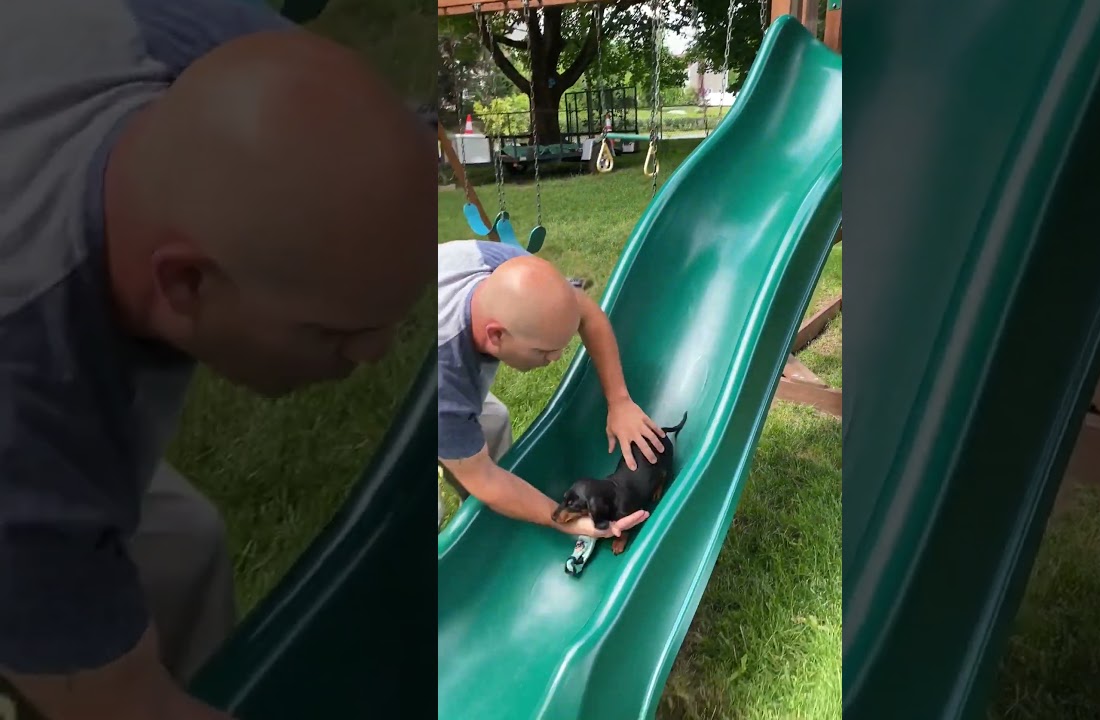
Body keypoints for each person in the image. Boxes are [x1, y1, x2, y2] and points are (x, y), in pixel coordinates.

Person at [0, 1, 437, 718]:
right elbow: (125, 708)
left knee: (181, 550)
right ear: (186, 283)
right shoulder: (29, 412)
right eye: (333, 333)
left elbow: (359, 129)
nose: (375, 353)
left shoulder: (165, 34)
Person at [436, 239, 665, 538]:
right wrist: (565, 521)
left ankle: (496, 526)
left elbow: (587, 313)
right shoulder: (444, 382)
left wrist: (620, 401)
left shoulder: (503, 266)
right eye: (544, 351)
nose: (555, 358)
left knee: (493, 421)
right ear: (496, 335)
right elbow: (485, 479)